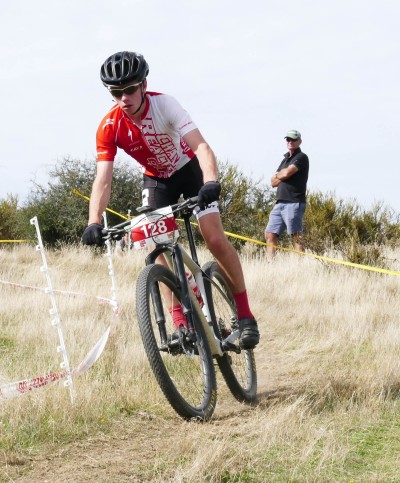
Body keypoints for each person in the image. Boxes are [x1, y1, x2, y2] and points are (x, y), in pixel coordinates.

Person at [81, 51, 259, 349]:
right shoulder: (109, 126)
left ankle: (245, 315)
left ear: (144, 85)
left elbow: (201, 146)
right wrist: (93, 221)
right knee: (154, 243)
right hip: (157, 179)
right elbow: (103, 179)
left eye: (129, 89)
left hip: (189, 170)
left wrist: (211, 180)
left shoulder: (165, 105)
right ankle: (179, 321)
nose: (124, 98)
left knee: (213, 238)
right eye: (115, 92)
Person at [264, 130, 309, 258]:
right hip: (279, 203)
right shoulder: (285, 160)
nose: (290, 142)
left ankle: (299, 266)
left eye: (293, 139)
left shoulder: (301, 157)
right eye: (288, 139)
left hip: (294, 202)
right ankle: (270, 263)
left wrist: (282, 175)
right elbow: (273, 182)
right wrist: (282, 175)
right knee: (269, 234)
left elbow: (285, 174)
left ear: (299, 141)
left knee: (296, 235)